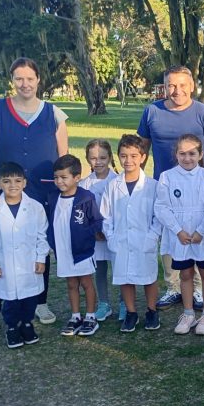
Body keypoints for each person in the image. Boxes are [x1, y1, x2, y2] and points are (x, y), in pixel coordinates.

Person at [0, 57, 68, 339]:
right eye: (19, 78)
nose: (25, 84)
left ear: (38, 79)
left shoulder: (55, 114)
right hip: (8, 189)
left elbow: (63, 158)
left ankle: (40, 301)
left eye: (30, 78)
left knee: (40, 244)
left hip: (42, 191)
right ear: (12, 80)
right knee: (3, 245)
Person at [137, 66, 204, 313]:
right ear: (164, 87)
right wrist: (137, 181)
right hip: (164, 186)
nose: (177, 90)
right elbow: (142, 149)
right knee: (170, 234)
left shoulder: (203, 113)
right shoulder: (152, 111)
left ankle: (196, 288)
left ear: (192, 86)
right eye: (171, 85)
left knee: (195, 233)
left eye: (182, 85)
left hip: (197, 189)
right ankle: (173, 286)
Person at [155, 134, 204, 336]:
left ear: (200, 155)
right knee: (185, 274)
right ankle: (188, 313)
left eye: (192, 153)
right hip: (180, 236)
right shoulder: (167, 177)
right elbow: (161, 207)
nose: (187, 158)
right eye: (182, 153)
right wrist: (178, 230)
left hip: (203, 235)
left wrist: (201, 231)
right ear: (176, 154)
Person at [0, 162, 49, 348]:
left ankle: (26, 324)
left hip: (29, 263)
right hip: (6, 264)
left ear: (24, 183)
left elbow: (42, 236)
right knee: (10, 299)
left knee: (30, 298)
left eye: (18, 181)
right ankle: (11, 327)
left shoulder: (35, 207)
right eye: (7, 181)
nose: (13, 185)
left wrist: (41, 258)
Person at [101, 135, 162, 333]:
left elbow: (158, 215)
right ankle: (131, 312)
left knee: (149, 277)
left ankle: (152, 311)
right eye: (124, 156)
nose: (128, 160)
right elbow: (106, 215)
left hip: (145, 239)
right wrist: (111, 237)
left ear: (143, 157)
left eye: (134, 156)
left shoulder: (152, 186)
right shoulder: (113, 185)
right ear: (118, 157)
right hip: (120, 240)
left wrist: (152, 236)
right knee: (125, 277)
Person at [48, 155, 102, 337]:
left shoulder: (86, 197)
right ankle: (75, 316)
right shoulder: (53, 197)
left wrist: (86, 235)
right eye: (56, 177)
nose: (59, 181)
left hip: (82, 252)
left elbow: (97, 221)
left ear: (77, 177)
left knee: (86, 283)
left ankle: (91, 317)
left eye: (64, 177)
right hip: (63, 251)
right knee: (71, 284)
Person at [79, 139, 119, 322]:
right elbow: (82, 212)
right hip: (96, 237)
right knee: (100, 269)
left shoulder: (118, 181)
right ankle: (104, 303)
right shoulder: (84, 184)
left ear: (110, 157)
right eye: (93, 158)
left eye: (102, 157)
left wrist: (110, 230)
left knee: (119, 268)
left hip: (115, 234)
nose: (98, 162)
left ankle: (124, 303)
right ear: (88, 159)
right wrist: (94, 231)